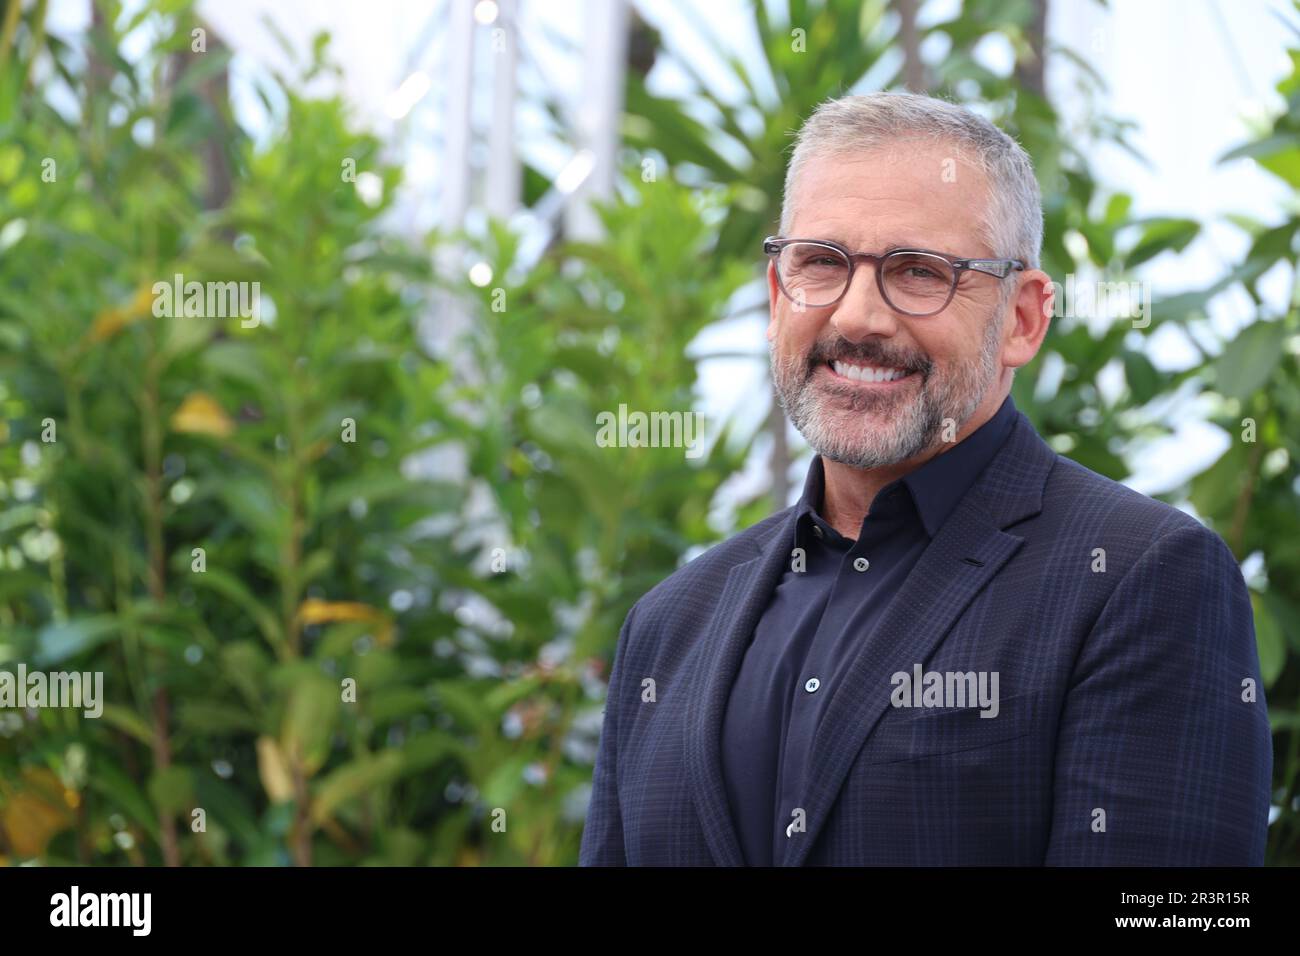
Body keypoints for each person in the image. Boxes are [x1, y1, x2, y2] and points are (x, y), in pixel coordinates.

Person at [579, 91, 1272, 866]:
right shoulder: (668, 625)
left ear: (1022, 319)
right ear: (778, 296)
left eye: (918, 272)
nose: (858, 317)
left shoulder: (1141, 581)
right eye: (822, 263)